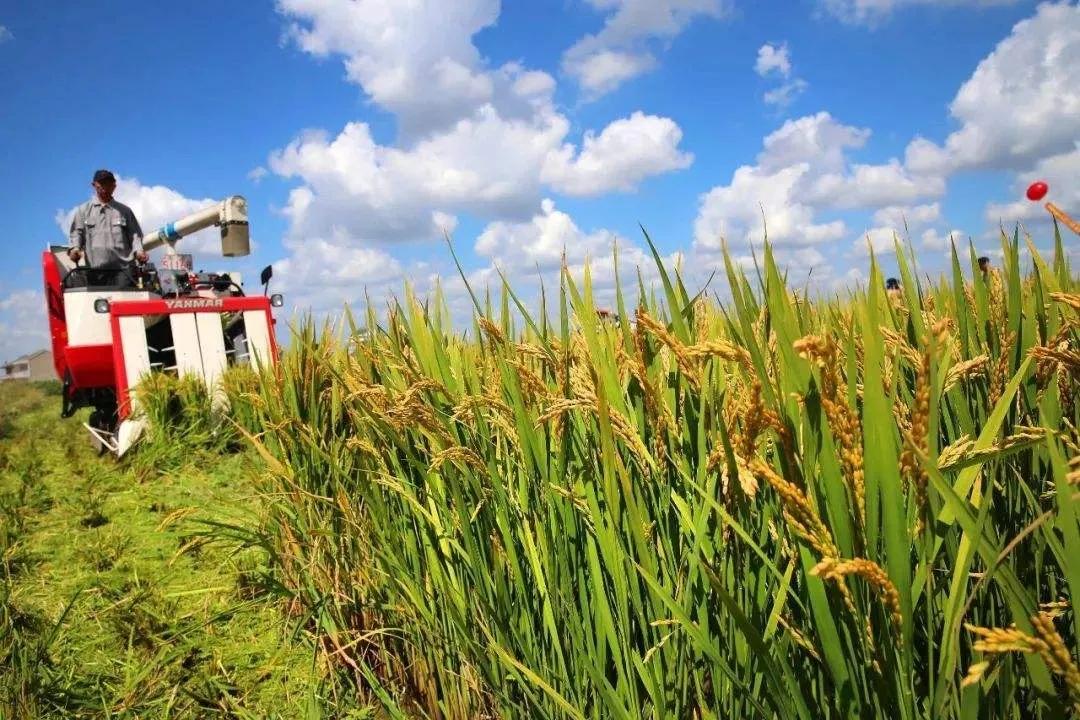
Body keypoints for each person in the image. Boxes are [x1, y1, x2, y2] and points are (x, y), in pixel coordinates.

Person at [67, 170, 148, 269]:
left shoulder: (125, 211)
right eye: (102, 183)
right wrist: (75, 249)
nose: (105, 186)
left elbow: (135, 236)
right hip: (95, 271)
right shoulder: (83, 211)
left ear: (114, 186)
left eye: (109, 183)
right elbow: (76, 233)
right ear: (94, 185)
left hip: (123, 271)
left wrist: (139, 252)